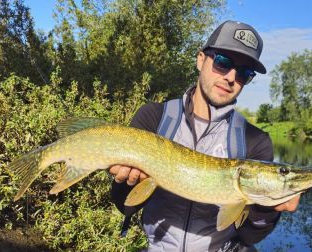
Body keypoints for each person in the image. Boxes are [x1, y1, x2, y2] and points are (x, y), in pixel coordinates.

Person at [109, 20, 300, 251]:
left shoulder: (254, 141)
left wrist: (267, 209)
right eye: (223, 62)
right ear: (201, 60)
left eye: (244, 73)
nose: (231, 77)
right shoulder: (154, 118)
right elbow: (125, 206)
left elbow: (249, 236)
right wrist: (126, 181)